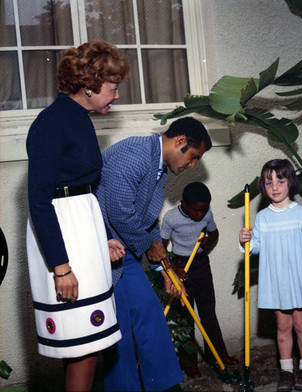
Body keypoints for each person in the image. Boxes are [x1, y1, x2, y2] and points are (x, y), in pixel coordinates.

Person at [26, 40, 129, 391]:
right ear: (89, 85)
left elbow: (84, 190)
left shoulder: (80, 118)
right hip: (63, 237)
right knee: (82, 349)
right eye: (112, 88)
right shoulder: (52, 123)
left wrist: (104, 236)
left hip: (82, 230)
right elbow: (40, 199)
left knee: (90, 344)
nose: (116, 96)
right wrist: (61, 267)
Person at [96, 117, 212, 391]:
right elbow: (120, 213)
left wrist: (164, 270)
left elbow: (146, 221)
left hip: (125, 249)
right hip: (102, 250)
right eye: (194, 157)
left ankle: (165, 386)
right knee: (119, 331)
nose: (193, 165)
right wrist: (151, 247)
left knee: (151, 316)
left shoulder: (160, 167)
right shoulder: (134, 155)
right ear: (180, 141)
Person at [239, 159, 302, 392]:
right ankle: (286, 371)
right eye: (269, 182)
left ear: (290, 183)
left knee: (300, 324)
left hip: (298, 279)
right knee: (283, 325)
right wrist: (246, 240)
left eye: (280, 180)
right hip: (276, 281)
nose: (274, 186)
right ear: (263, 187)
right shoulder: (263, 217)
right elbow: (256, 248)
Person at [161, 182, 238, 378]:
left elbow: (214, 233)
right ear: (183, 203)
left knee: (208, 313)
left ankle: (218, 356)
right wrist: (174, 269)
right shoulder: (171, 218)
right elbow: (161, 249)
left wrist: (209, 240)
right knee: (186, 316)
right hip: (180, 267)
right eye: (196, 210)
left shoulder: (206, 214)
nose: (201, 214)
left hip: (201, 264)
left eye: (204, 210)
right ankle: (189, 363)